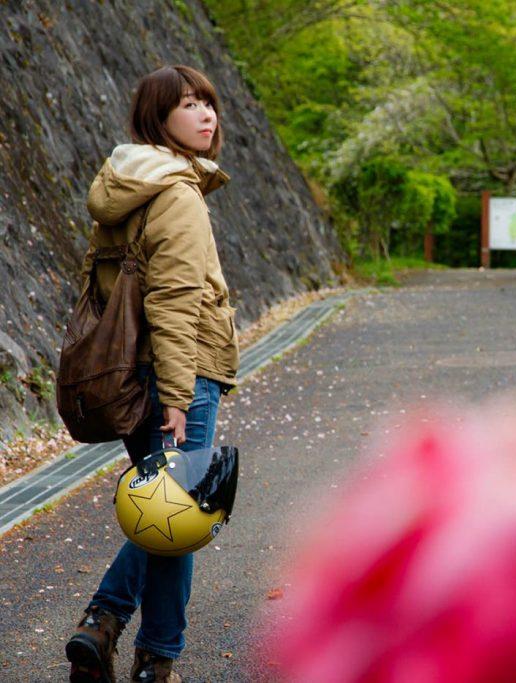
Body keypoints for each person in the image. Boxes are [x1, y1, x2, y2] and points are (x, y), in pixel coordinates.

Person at [64, 65, 240, 683]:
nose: (205, 114)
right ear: (156, 118)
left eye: (208, 103)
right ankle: (141, 650)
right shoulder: (178, 192)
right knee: (179, 515)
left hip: (125, 374)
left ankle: (110, 634)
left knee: (164, 509)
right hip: (177, 376)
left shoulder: (124, 184)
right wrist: (179, 391)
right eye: (188, 104)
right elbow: (174, 301)